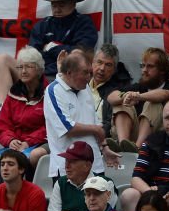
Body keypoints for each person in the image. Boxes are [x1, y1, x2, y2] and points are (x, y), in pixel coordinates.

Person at [44, 51, 118, 179]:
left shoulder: (85, 88)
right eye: (85, 73)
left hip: (94, 165)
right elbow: (68, 128)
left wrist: (104, 147)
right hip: (67, 169)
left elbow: (96, 123)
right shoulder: (53, 90)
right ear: (69, 73)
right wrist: (95, 129)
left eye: (90, 72)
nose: (89, 77)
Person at [46, 141, 119, 211]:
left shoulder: (105, 184)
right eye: (66, 160)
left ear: (87, 165)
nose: (67, 166)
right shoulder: (60, 183)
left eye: (72, 161)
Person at [108, 47, 169, 150]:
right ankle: (123, 146)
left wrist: (138, 96)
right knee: (122, 103)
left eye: (150, 66)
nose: (144, 70)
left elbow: (163, 94)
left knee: (152, 103)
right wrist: (125, 96)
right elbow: (111, 96)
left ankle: (137, 149)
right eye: (142, 66)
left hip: (158, 136)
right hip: (133, 134)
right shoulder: (138, 86)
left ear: (162, 70)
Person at [28, 0, 98, 78]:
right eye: (54, 5)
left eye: (61, 5)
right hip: (41, 74)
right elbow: (32, 54)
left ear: (73, 4)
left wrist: (51, 48)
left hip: (71, 75)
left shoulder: (84, 23)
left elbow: (81, 53)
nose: (57, 10)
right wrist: (65, 50)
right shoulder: (42, 25)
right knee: (3, 59)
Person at [0, 46, 48, 167]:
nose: (23, 71)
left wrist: (28, 142)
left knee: (25, 159)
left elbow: (49, 126)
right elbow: (3, 125)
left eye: (28, 67)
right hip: (16, 145)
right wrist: (10, 140)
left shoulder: (49, 94)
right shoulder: (13, 94)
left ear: (39, 69)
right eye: (20, 67)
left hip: (39, 143)